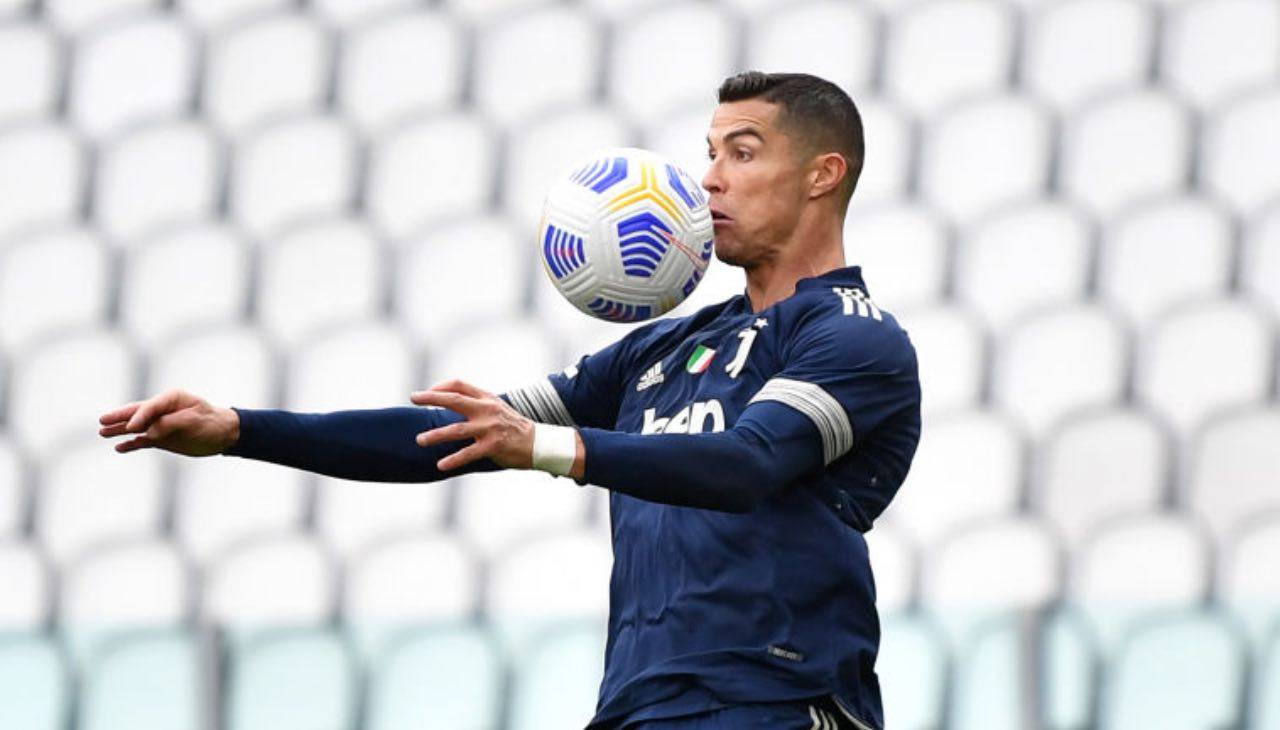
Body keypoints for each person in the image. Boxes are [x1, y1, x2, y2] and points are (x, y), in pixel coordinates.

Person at [99, 71, 921, 730]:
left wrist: (547, 448)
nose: (708, 179)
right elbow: (454, 437)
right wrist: (241, 429)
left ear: (823, 173)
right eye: (708, 153)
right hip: (638, 704)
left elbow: (747, 463)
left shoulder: (856, 338)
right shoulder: (661, 350)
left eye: (742, 153)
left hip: (778, 700)